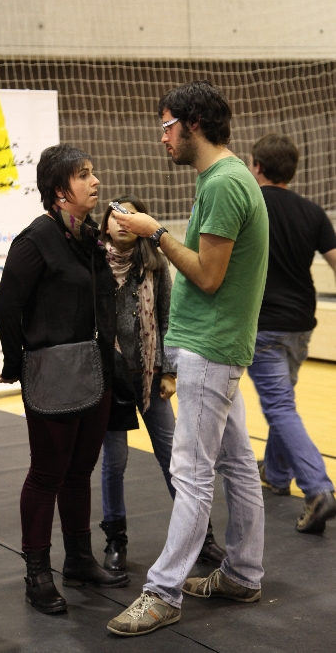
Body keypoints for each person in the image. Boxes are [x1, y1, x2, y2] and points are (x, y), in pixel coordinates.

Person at [107, 80, 269, 637]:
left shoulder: (223, 183)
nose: (162, 138)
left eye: (167, 126)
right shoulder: (223, 178)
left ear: (193, 124)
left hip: (210, 348)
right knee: (237, 464)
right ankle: (243, 573)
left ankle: (162, 592)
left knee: (191, 474)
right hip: (216, 345)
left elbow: (207, 275)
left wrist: (154, 232)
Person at [0, 143, 129, 616]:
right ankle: (37, 574)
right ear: (58, 191)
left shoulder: (89, 235)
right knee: (47, 473)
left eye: (93, 172)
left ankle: (79, 560)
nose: (95, 182)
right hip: (52, 375)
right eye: (84, 175)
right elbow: (7, 305)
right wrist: (18, 363)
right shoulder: (35, 240)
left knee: (79, 471)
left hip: (96, 372)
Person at [99, 195, 225, 571]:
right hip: (112, 380)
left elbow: (168, 318)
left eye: (131, 216)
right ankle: (115, 541)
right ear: (104, 224)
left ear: (142, 224)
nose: (123, 222)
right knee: (114, 462)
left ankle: (202, 538)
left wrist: (169, 371)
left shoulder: (154, 264)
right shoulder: (93, 264)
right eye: (116, 216)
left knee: (174, 459)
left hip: (151, 378)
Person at [248, 133, 336, 532]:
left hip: (265, 324)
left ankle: (317, 490)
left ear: (257, 167)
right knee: (283, 401)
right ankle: (277, 472)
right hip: (301, 324)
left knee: (280, 406)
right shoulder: (312, 211)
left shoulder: (251, 205)